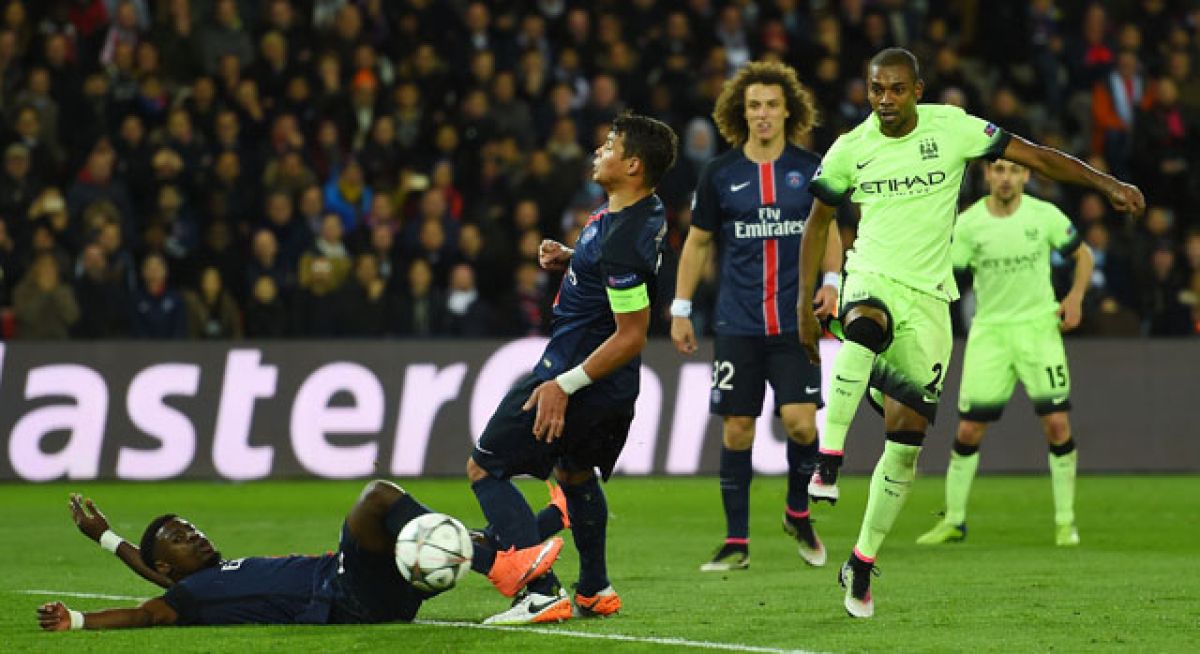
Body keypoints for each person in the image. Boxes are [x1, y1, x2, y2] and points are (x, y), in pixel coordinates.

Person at [796, 48, 1144, 619]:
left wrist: (1104, 183)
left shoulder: (954, 129)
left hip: (931, 302)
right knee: (862, 328)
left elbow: (1038, 156)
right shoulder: (849, 149)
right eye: (877, 89)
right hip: (872, 277)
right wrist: (804, 304)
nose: (885, 99)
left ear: (918, 89)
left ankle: (860, 561)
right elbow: (818, 224)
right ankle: (828, 459)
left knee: (905, 446)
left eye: (897, 89)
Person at [466, 112, 676, 625]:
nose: (599, 151)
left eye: (610, 145)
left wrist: (563, 385)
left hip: (576, 376)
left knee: (485, 468)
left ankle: (539, 590)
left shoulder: (623, 239)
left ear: (633, 165)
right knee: (575, 474)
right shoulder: (639, 210)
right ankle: (595, 588)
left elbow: (631, 334)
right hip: (611, 388)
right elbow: (614, 275)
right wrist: (575, 260)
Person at [670, 61, 842, 572]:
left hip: (796, 322)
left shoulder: (811, 167)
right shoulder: (720, 173)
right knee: (737, 430)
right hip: (738, 323)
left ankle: (797, 512)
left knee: (802, 425)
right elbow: (698, 242)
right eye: (754, 106)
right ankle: (736, 542)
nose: (763, 114)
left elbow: (829, 230)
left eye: (771, 105)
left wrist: (832, 283)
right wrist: (681, 307)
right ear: (740, 114)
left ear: (788, 110)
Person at [36, 481, 563, 630]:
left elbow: (155, 572)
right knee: (377, 498)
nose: (194, 535)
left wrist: (107, 538)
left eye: (190, 527)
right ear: (168, 568)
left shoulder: (205, 579)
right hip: (347, 595)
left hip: (365, 590)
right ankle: (506, 568)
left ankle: (553, 522)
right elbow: (145, 615)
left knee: (440, 539)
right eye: (180, 536)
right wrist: (77, 621)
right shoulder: (188, 597)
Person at [915, 159, 1094, 548]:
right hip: (990, 334)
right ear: (987, 175)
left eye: (1014, 170)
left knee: (1057, 425)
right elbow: (944, 273)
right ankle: (954, 521)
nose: (1006, 177)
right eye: (998, 170)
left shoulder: (1044, 215)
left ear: (1027, 175)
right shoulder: (969, 224)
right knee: (968, 429)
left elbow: (1083, 255)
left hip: (1039, 330)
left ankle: (1065, 523)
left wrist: (1075, 297)